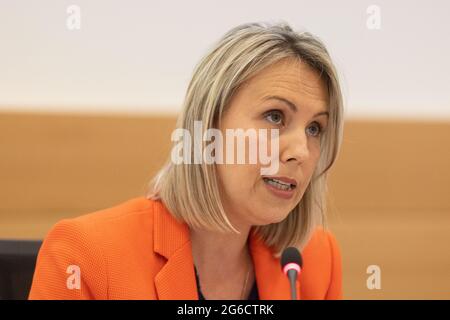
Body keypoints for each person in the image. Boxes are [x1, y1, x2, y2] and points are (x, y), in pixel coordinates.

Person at [29, 21, 344, 300]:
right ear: (208, 128)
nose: (301, 151)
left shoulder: (313, 260)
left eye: (315, 128)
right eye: (275, 116)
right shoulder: (86, 256)